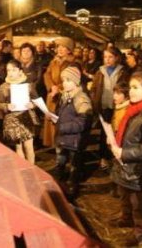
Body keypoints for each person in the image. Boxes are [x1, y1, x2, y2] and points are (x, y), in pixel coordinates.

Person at [109, 71, 142, 247]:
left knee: (138, 202)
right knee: (124, 194)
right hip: (127, 166)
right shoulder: (133, 110)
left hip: (139, 169)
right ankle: (126, 217)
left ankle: (140, 232)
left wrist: (124, 153)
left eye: (135, 87)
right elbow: (128, 135)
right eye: (131, 87)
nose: (131, 91)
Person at [53, 67, 93, 197]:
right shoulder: (65, 96)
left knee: (74, 165)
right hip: (63, 138)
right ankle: (58, 183)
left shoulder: (81, 99)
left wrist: (63, 127)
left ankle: (72, 187)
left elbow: (83, 122)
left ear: (76, 82)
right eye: (63, 80)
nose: (65, 83)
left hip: (75, 140)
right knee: (60, 162)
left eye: (68, 80)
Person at [90, 47, 128, 171]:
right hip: (104, 107)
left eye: (110, 57)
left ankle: (116, 157)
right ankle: (104, 158)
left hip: (118, 107)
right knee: (104, 134)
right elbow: (95, 89)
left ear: (117, 57)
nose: (107, 60)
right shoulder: (100, 72)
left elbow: (125, 88)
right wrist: (95, 102)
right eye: (105, 57)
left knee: (119, 133)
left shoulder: (123, 72)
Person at [0, 59, 39, 164]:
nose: (10, 73)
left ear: (20, 71)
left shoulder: (28, 85)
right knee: (18, 147)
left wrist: (32, 104)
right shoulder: (4, 86)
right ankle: (24, 169)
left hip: (26, 116)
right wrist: (7, 106)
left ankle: (31, 169)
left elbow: (37, 100)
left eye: (14, 70)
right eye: (8, 70)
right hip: (12, 119)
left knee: (29, 146)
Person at [43, 37, 77, 147]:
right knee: (52, 119)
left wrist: (58, 88)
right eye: (59, 47)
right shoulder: (54, 61)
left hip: (65, 95)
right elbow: (47, 74)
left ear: (69, 50)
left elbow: (72, 79)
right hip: (53, 95)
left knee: (62, 120)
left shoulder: (73, 63)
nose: (60, 49)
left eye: (64, 47)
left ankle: (62, 145)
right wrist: (51, 86)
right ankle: (53, 144)